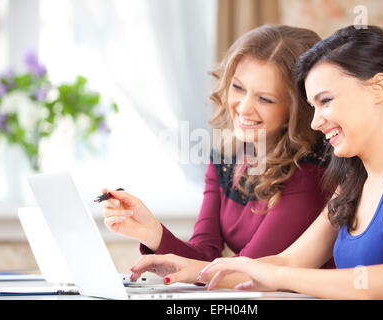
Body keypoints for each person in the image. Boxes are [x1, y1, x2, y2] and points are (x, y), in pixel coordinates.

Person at [188, 25, 383, 300]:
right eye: (312, 106)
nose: (316, 122)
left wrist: (279, 277)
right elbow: (288, 261)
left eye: (326, 101)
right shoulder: (354, 180)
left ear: (377, 88)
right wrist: (189, 269)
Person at [102, 25, 335, 283]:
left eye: (265, 99)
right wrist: (152, 232)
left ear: (298, 109)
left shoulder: (311, 173)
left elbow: (243, 273)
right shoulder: (227, 157)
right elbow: (204, 253)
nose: (244, 107)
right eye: (238, 87)